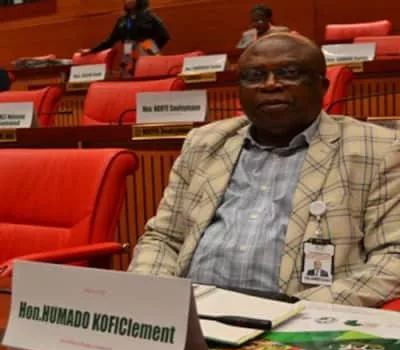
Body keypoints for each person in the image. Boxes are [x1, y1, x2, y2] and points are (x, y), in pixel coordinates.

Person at [129, 32, 400, 307]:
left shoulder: (377, 149)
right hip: (193, 313)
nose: (270, 84)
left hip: (298, 319)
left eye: (289, 73)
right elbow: (164, 238)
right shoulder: (204, 143)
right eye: (254, 76)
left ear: (322, 85)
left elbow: (393, 258)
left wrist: (296, 311)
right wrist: (157, 302)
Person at [80, 0, 169, 75]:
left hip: (147, 48)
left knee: (150, 76)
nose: (128, 1)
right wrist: (91, 50)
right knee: (127, 77)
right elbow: (110, 41)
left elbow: (164, 35)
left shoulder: (150, 16)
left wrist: (149, 48)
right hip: (128, 50)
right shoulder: (122, 20)